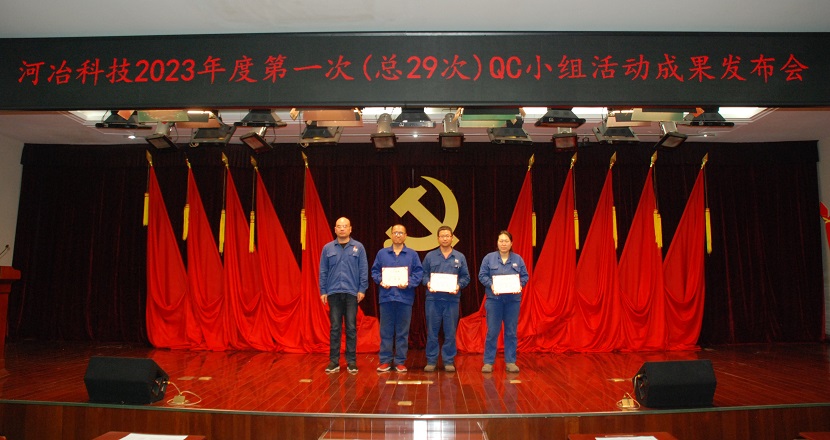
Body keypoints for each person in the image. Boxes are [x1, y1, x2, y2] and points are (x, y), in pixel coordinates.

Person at [371, 224, 423, 373]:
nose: (398, 235)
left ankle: (400, 361)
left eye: (401, 233)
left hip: (404, 298)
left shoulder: (412, 254)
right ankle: (385, 361)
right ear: (391, 235)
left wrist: (408, 283)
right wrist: (381, 280)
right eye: (395, 232)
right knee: (386, 331)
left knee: (402, 332)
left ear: (406, 235)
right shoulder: (382, 253)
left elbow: (418, 273)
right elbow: (374, 271)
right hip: (386, 298)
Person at [319, 217, 368, 374]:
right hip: (333, 292)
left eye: (345, 226)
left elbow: (363, 269)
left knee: (351, 327)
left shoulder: (358, 247)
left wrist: (362, 289)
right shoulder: (328, 248)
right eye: (339, 226)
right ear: (335, 229)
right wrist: (323, 290)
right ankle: (334, 361)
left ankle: (351, 361)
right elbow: (323, 271)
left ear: (350, 229)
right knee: (335, 327)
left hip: (351, 293)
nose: (342, 229)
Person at [478, 230, 529, 374]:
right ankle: (488, 362)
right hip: (494, 301)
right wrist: (491, 285)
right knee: (492, 331)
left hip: (512, 301)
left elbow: (525, 276)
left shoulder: (518, 259)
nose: (503, 244)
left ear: (511, 243)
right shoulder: (489, 258)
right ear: (497, 243)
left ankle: (511, 362)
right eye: (501, 241)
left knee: (511, 332)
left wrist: (520, 284)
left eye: (506, 241)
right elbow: (482, 275)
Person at [421, 226, 470, 372]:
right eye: (442, 236)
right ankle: (431, 361)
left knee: (450, 332)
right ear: (438, 238)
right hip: (433, 299)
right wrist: (427, 283)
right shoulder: (430, 256)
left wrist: (458, 285)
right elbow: (423, 274)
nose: (445, 238)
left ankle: (448, 361)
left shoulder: (460, 257)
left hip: (452, 300)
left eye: (447, 236)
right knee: (432, 332)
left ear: (452, 238)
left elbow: (466, 277)